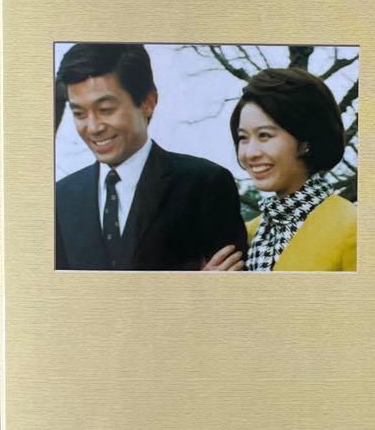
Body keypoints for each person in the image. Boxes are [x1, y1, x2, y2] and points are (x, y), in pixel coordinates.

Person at [54, 43, 247, 271]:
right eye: (79, 114)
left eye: (105, 109)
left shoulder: (206, 184)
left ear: (148, 102)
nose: (93, 127)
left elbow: (232, 288)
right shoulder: (61, 196)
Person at [230, 67, 356, 272]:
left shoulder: (354, 227)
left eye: (264, 135)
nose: (250, 153)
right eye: (243, 137)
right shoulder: (245, 235)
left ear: (305, 141)